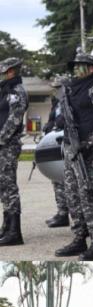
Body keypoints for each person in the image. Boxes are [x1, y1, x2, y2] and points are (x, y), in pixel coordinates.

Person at [54, 52, 93, 260]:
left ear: (91, 69)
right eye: (75, 66)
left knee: (90, 195)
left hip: (88, 151)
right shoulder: (71, 91)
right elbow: (67, 116)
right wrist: (60, 120)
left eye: (81, 66)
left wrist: (89, 143)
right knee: (72, 195)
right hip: (71, 149)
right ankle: (79, 238)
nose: (76, 70)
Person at [0, 57, 28, 246]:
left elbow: (15, 119)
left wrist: (1, 139)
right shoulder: (5, 90)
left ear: (12, 71)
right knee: (3, 186)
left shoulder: (18, 91)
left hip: (7, 144)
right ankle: (6, 225)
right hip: (2, 144)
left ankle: (15, 232)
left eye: (4, 71)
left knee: (9, 186)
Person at [42, 75, 70, 228]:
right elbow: (53, 118)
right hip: (56, 141)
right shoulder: (56, 102)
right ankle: (62, 212)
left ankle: (72, 213)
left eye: (59, 88)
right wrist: (49, 124)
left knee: (69, 180)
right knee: (57, 179)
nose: (56, 91)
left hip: (68, 141)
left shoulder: (71, 99)